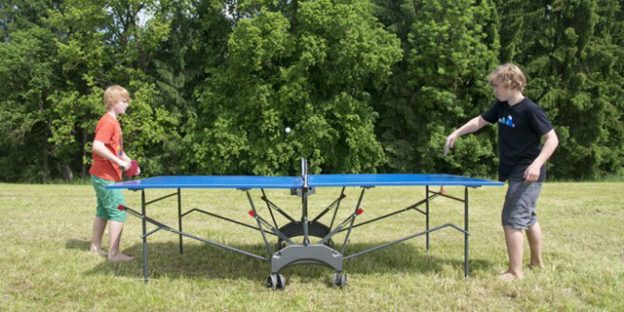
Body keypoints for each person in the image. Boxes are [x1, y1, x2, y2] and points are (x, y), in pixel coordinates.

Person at [444, 63, 559, 280]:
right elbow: (480, 121)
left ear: (511, 84)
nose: (494, 90)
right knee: (528, 218)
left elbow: (552, 139)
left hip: (527, 172)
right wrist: (457, 133)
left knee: (512, 218)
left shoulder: (530, 110)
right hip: (516, 170)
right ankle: (536, 263)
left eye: (497, 85)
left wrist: (536, 164)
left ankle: (515, 272)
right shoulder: (501, 106)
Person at [88, 85, 140, 262]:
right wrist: (119, 163)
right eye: (124, 102)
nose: (127, 105)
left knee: (103, 211)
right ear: (113, 102)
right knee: (119, 211)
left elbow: (116, 150)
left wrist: (130, 164)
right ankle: (114, 254)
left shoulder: (114, 122)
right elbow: (97, 146)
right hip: (105, 176)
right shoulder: (108, 122)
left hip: (102, 175)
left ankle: (95, 247)